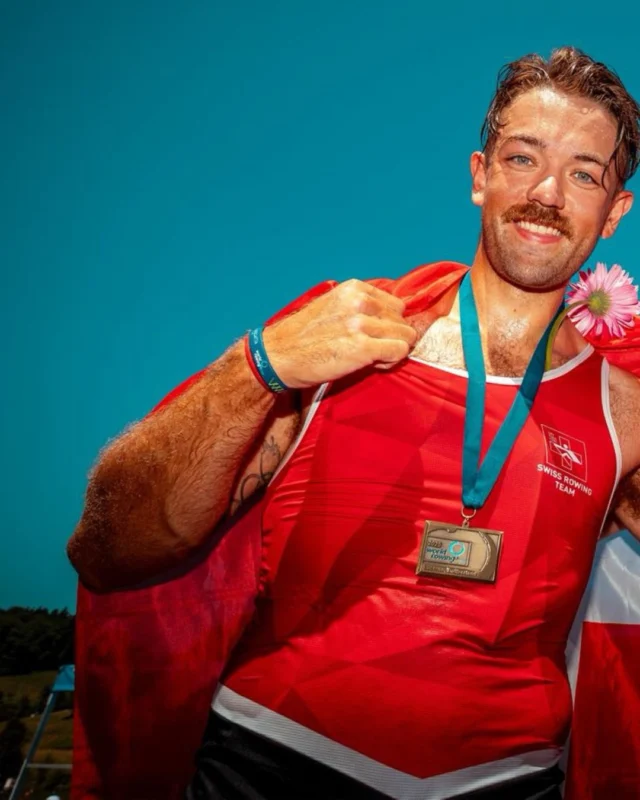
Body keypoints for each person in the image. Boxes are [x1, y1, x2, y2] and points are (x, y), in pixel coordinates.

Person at [67, 46, 640, 800]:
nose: (546, 192)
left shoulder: (623, 413)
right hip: (271, 764)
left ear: (613, 214)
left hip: (506, 783)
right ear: (480, 175)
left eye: (584, 173)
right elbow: (110, 546)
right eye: (522, 156)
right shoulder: (337, 334)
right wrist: (258, 367)